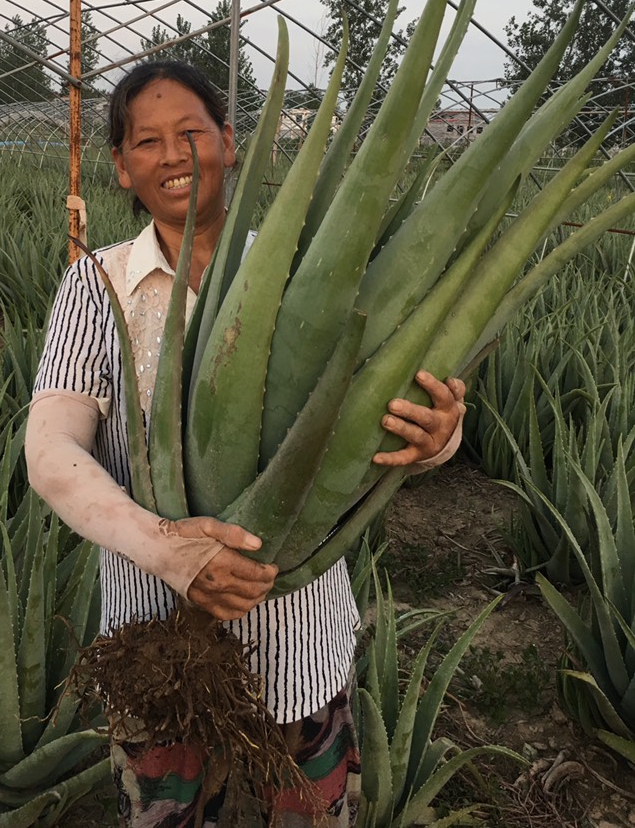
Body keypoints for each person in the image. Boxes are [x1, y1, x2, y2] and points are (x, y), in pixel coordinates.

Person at [25, 59, 466, 828]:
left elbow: (391, 414)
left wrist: (438, 437)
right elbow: (50, 449)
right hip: (155, 648)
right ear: (122, 167)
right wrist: (167, 548)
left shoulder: (310, 269)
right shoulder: (97, 286)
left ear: (231, 144)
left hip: (298, 650)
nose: (173, 155)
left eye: (191, 132)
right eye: (148, 141)